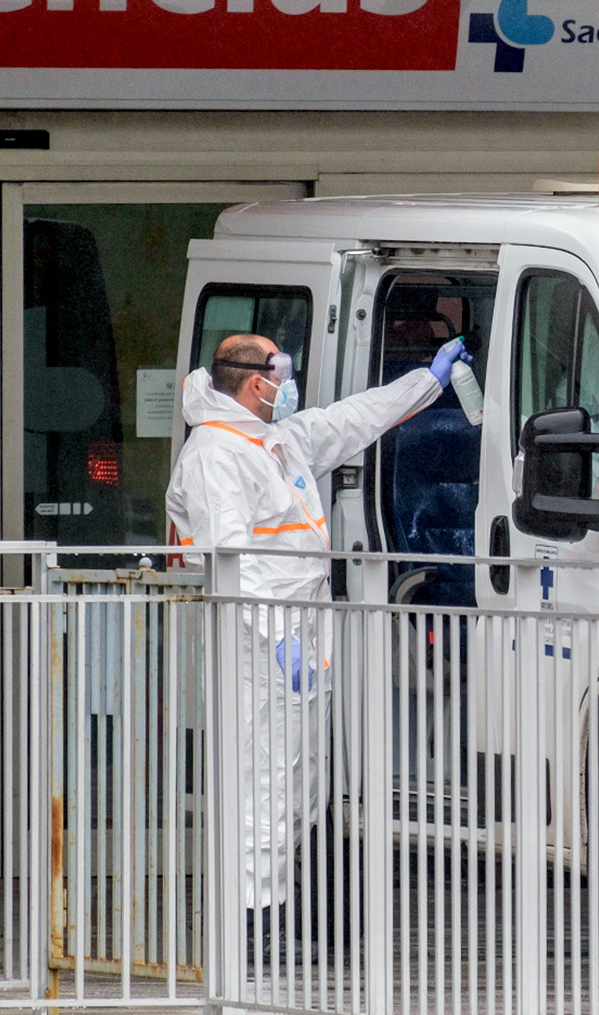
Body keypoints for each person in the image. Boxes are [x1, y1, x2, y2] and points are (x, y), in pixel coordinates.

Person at [166, 330, 469, 962]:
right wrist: (280, 640)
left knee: (299, 781)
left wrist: (429, 381)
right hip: (255, 641)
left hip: (297, 633)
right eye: (282, 370)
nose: (290, 381)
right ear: (256, 382)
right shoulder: (215, 453)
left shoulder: (275, 440)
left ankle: (278, 910)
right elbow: (230, 561)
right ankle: (250, 928)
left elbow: (351, 420)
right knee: (263, 781)